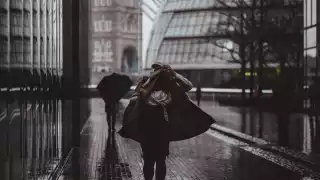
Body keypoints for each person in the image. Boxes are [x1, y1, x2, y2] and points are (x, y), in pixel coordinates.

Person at [138, 65, 192, 180]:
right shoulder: (168, 93)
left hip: (151, 130)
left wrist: (170, 74)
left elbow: (188, 86)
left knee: (151, 161)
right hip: (160, 130)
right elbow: (188, 86)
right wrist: (174, 74)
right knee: (158, 160)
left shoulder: (147, 91)